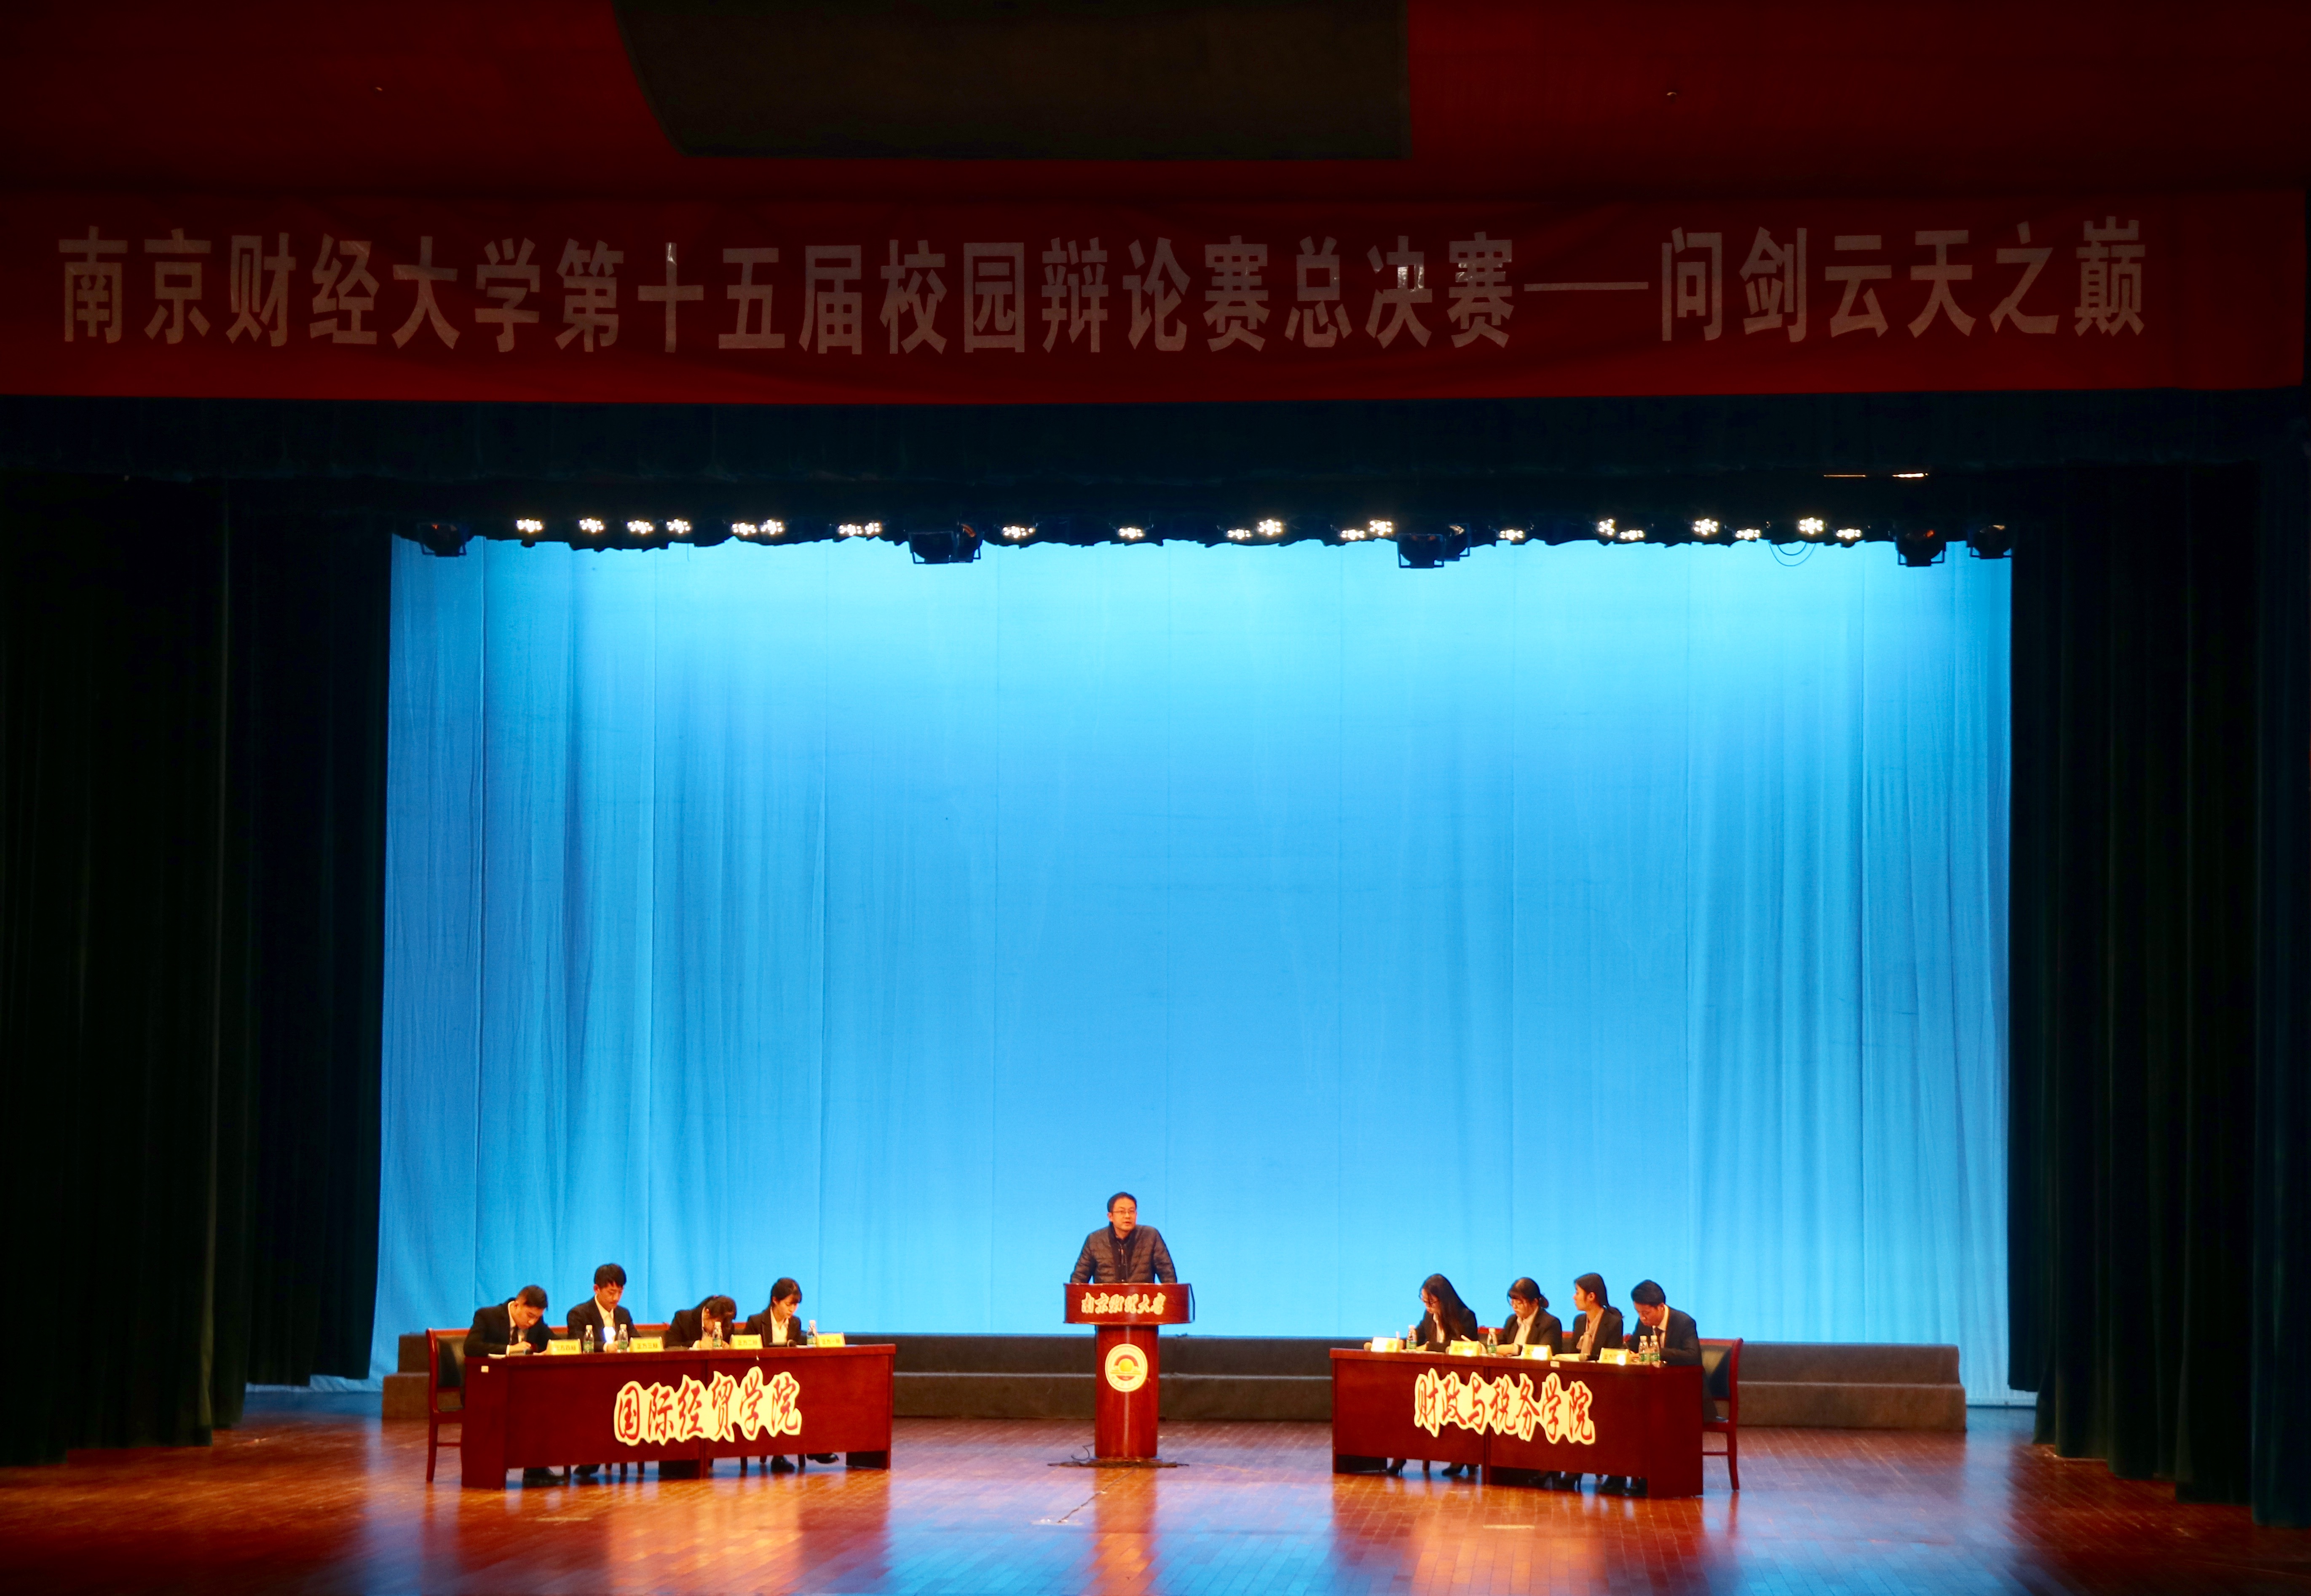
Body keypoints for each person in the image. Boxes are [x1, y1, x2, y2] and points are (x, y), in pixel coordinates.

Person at [1387, 1274, 1481, 1478]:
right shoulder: (1429, 1316)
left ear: (1445, 1299)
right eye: (1424, 1301)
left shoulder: (1465, 1316)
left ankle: (1459, 1456)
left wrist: (1430, 1347)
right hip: (1431, 1380)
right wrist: (1401, 1344)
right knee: (1406, 1401)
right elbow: (1416, 1339)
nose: (1427, 1306)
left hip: (1459, 1382)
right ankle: (1400, 1454)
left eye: (1431, 1301)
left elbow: (1462, 1347)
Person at [1619, 1279, 1703, 1497]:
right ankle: (1638, 1475)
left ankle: (1661, 1478)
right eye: (1638, 1313)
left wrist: (1656, 1352)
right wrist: (1625, 1352)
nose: (1642, 1318)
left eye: (1646, 1313)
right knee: (1629, 1416)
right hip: (1654, 1393)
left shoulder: (1684, 1322)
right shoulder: (1643, 1324)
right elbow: (1633, 1347)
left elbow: (1693, 1357)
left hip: (1684, 1396)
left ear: (1661, 1307)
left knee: (1654, 1419)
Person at [463, 1286, 554, 1485]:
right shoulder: (488, 1316)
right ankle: (490, 1468)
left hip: (522, 1391)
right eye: (530, 1316)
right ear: (517, 1305)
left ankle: (536, 1469)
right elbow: (471, 1347)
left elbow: (554, 1341)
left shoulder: (536, 1324)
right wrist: (510, 1350)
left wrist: (551, 1351)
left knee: (546, 1405)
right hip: (485, 1388)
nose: (532, 1323)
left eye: (537, 1318)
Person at [742, 1280, 833, 1470]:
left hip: (788, 1379)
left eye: (796, 1305)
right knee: (779, 1399)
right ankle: (779, 1455)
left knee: (813, 1395)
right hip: (762, 1382)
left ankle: (815, 1447)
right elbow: (745, 1356)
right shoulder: (756, 1322)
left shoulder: (796, 1323)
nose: (793, 1309)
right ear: (775, 1301)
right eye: (789, 1304)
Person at [1567, 1274, 1629, 1493]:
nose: (1574, 1297)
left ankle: (1616, 1474)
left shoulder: (1613, 1322)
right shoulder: (1579, 1321)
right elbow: (1573, 1354)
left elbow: (1609, 1357)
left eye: (1578, 1293)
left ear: (1591, 1296)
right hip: (1580, 1385)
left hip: (1605, 1387)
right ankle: (1572, 1469)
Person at [1069, 1192, 1177, 1284]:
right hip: (1107, 1301)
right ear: (1110, 1217)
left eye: (1131, 1211)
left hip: (1142, 1301)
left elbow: (1168, 1275)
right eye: (1122, 1212)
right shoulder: (1095, 1240)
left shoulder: (1151, 1236)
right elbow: (1079, 1278)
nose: (1127, 1216)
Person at [567, 1263, 635, 1349]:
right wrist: (606, 1347)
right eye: (611, 1293)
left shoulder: (624, 1314)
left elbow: (635, 1340)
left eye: (620, 1292)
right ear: (597, 1289)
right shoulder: (578, 1314)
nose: (616, 1298)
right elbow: (578, 1343)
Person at [1500, 1278, 1562, 1353]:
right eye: (1512, 1302)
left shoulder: (1550, 1323)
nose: (1515, 1307)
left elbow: (1544, 1352)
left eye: (1519, 1303)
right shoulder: (1512, 1321)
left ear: (1534, 1302)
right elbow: (1499, 1346)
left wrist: (1515, 1349)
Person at [666, 1294, 738, 1350]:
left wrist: (729, 1348)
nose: (720, 1329)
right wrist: (698, 1345)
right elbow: (670, 1346)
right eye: (717, 1323)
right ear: (707, 1313)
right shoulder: (683, 1319)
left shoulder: (728, 1327)